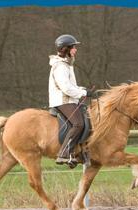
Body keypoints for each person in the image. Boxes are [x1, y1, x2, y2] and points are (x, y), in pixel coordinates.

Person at [48, 34, 93, 165]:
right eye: (73, 47)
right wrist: (84, 92)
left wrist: (84, 89)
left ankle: (79, 152)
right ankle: (63, 154)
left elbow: (71, 86)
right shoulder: (60, 66)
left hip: (69, 100)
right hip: (63, 101)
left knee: (88, 119)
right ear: (65, 49)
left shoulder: (66, 65)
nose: (75, 49)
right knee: (78, 124)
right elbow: (66, 88)